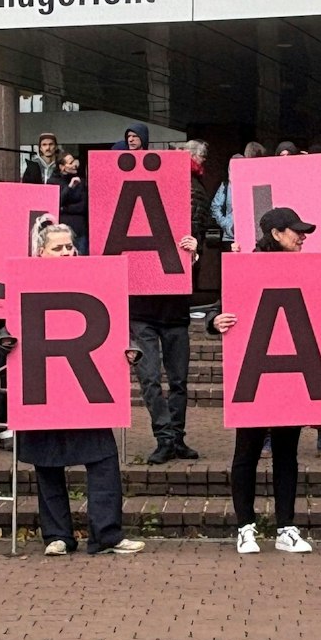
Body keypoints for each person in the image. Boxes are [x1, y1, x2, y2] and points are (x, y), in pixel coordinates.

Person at [212, 207, 321, 554]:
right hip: (256, 372)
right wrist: (215, 321)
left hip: (291, 374)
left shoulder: (308, 269)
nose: (303, 237)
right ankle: (245, 527)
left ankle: (286, 527)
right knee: (247, 452)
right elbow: (219, 309)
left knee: (287, 453)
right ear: (275, 234)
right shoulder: (246, 267)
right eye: (296, 231)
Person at [15, 218, 146, 556]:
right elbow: (9, 325)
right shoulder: (22, 281)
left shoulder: (97, 278)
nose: (66, 253)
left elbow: (118, 322)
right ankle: (57, 536)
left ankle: (106, 535)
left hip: (87, 390)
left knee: (103, 460)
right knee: (47, 464)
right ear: (40, 253)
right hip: (45, 388)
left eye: (70, 247)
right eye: (58, 248)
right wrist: (6, 340)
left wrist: (129, 348)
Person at [130, 145, 207, 465]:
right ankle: (164, 437)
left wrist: (195, 251)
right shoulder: (134, 212)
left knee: (178, 380)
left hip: (175, 310)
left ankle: (176, 437)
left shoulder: (186, 210)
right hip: (141, 311)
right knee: (149, 378)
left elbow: (197, 258)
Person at [213, 141, 266, 239]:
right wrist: (228, 225)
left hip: (253, 236)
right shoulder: (226, 186)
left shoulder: (256, 183)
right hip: (230, 237)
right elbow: (215, 207)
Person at [57, 151, 90, 256]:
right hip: (63, 230)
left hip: (79, 229)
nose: (75, 165)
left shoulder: (82, 182)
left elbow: (83, 206)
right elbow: (57, 202)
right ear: (62, 167)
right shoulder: (53, 181)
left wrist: (64, 209)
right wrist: (70, 187)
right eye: (70, 163)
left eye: (75, 161)